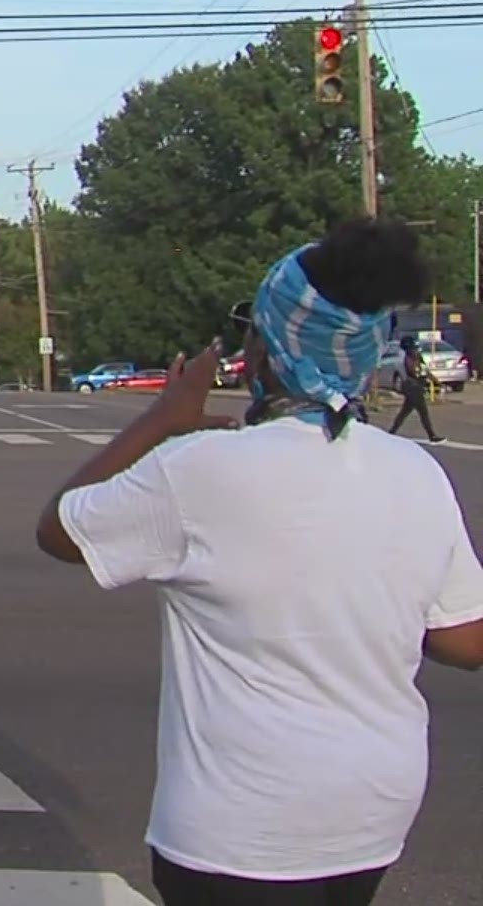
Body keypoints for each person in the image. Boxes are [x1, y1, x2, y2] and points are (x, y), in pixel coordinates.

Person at [35, 218, 483, 906]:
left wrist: (165, 418)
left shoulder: (198, 470)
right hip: (372, 808)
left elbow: (62, 531)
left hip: (239, 827)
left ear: (266, 348)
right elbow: (464, 641)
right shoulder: (416, 471)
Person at [389, 334, 444, 443]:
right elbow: (415, 372)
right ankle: (432, 436)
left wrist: (435, 381)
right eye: (413, 347)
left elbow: (425, 370)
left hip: (415, 387)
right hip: (413, 388)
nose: (415, 349)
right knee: (423, 412)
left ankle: (391, 432)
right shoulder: (408, 358)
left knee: (405, 412)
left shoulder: (415, 357)